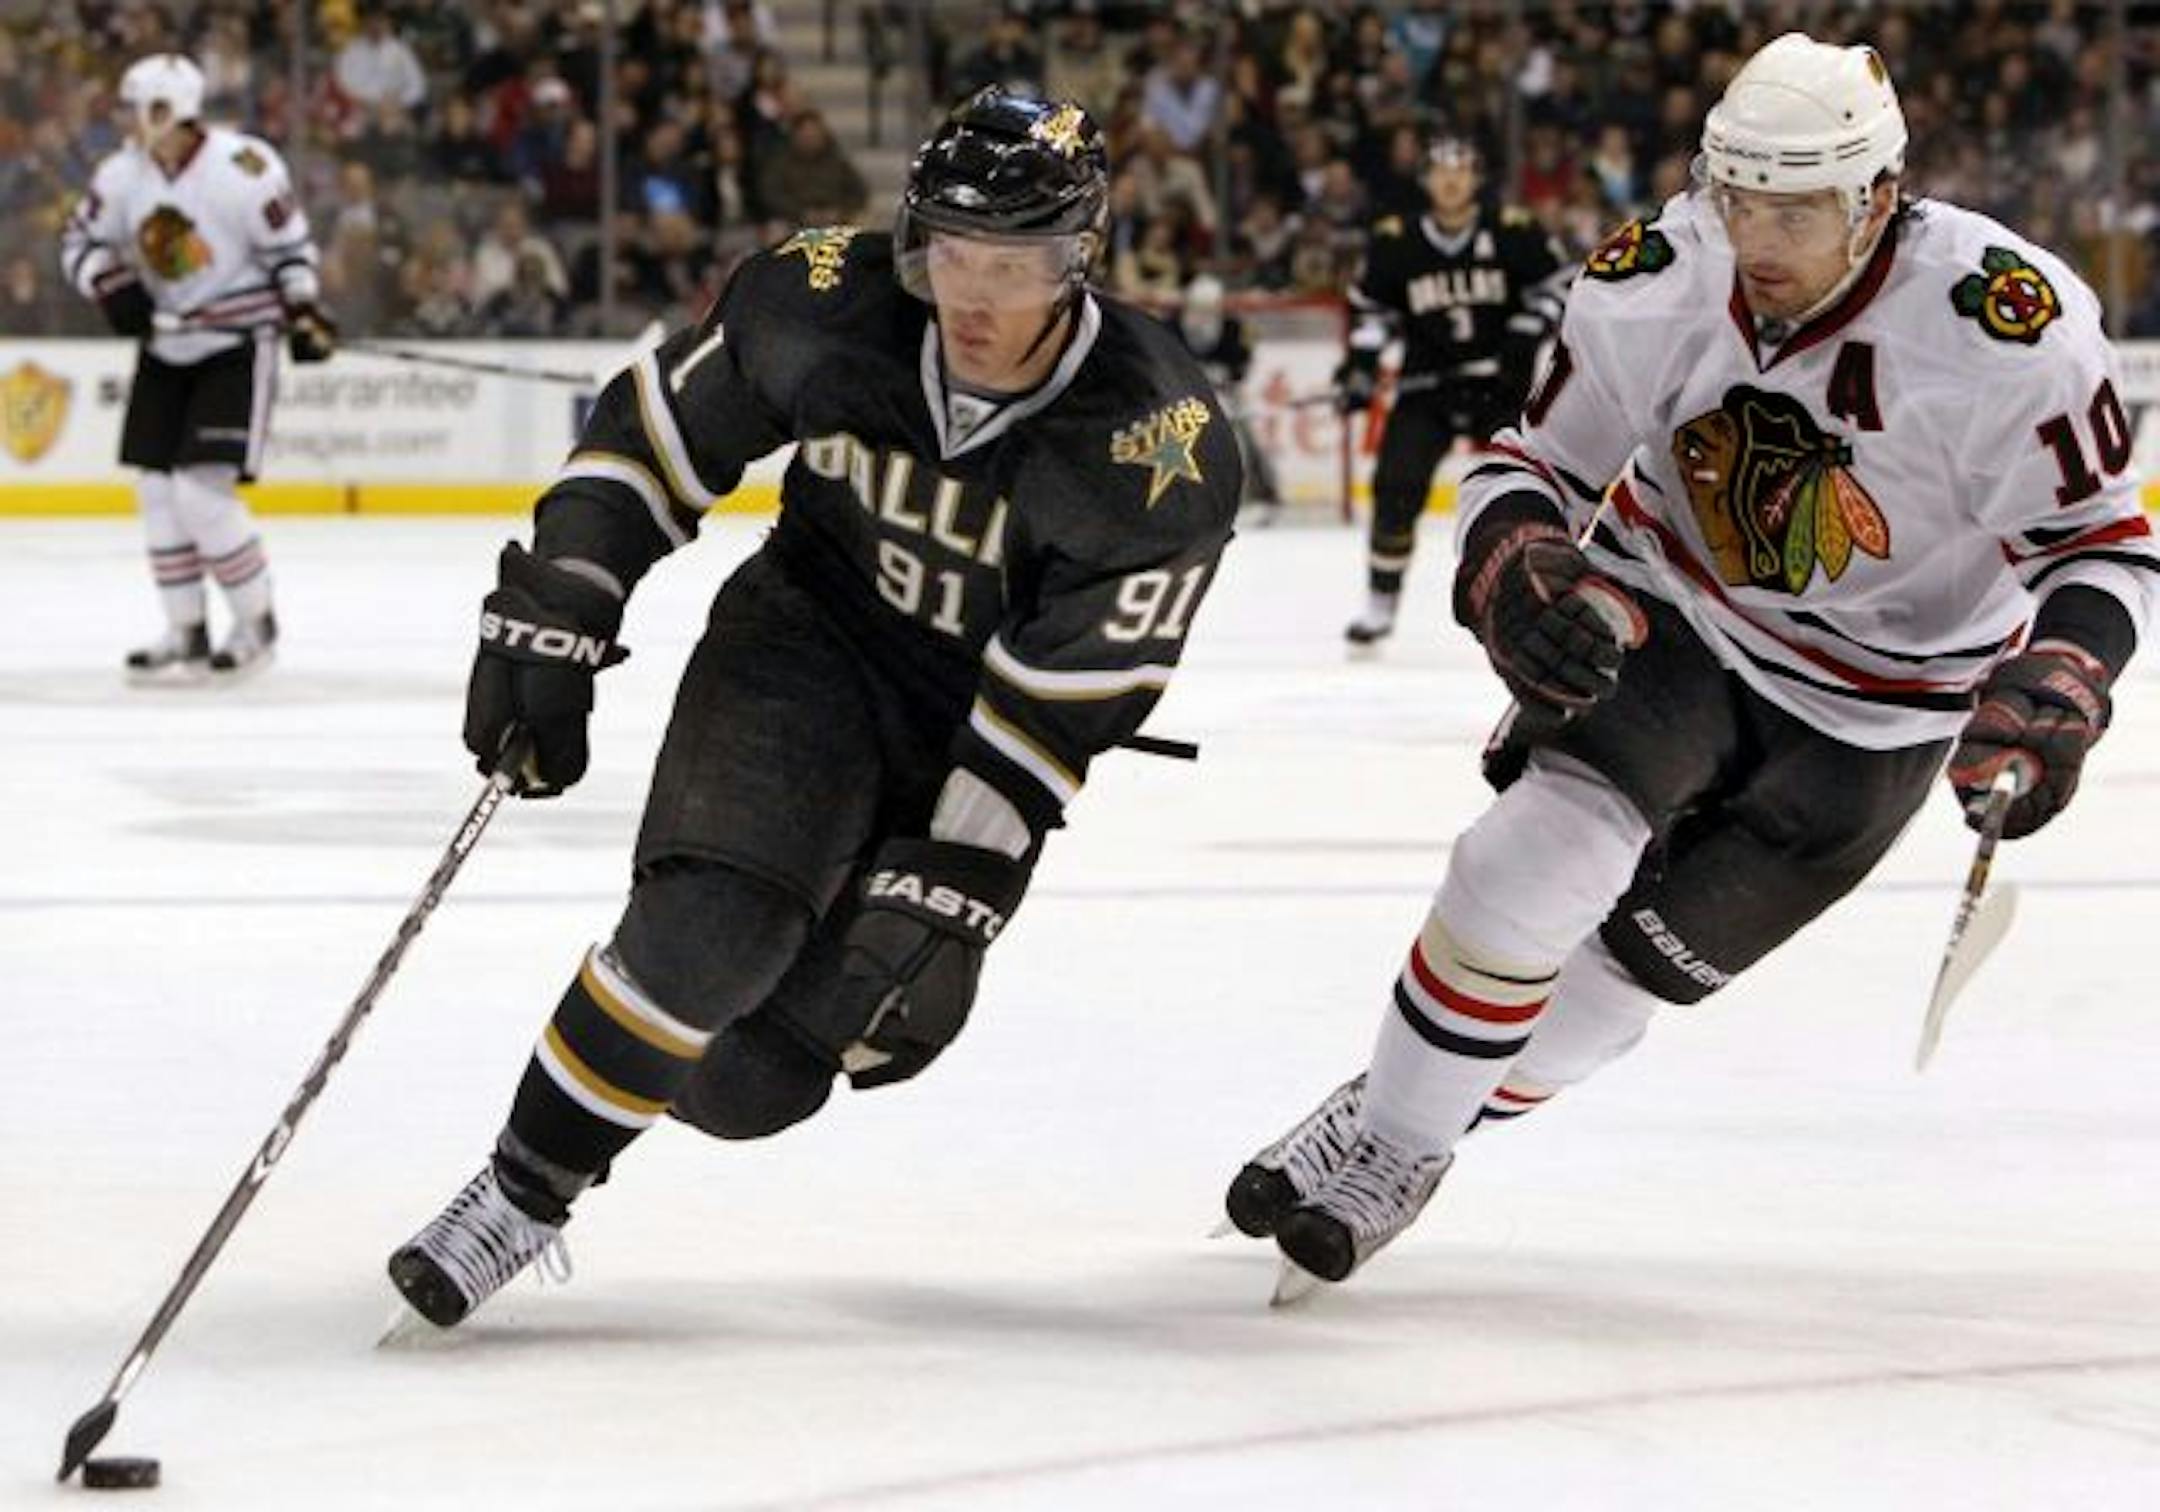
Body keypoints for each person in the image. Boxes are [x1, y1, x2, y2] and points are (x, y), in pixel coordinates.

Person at [1224, 34, 2156, 1291]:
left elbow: (2103, 549)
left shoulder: (2009, 328)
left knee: (1630, 982)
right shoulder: (1661, 271)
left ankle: (1401, 1105)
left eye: (1799, 208)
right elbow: (1527, 464)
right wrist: (1519, 566)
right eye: (1739, 198)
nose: (1759, 239)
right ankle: (1397, 1139)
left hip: (1882, 711)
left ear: (1879, 197)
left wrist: (2058, 687)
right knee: (1537, 859)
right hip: (1683, 620)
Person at [388, 87, 1241, 1327]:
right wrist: (568, 584)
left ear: (1080, 258)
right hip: (808, 646)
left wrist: (963, 879)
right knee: (706, 939)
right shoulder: (824, 301)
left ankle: (670, 1039)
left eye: (1019, 261)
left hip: (969, 724)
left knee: (759, 1081)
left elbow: (1054, 712)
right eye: (954, 252)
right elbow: (653, 438)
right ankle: (517, 1196)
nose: (976, 294)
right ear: (913, 238)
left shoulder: (1156, 446)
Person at [61, 53, 336, 682]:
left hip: (235, 347)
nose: (131, 120)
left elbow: (290, 251)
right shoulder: (121, 175)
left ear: (170, 110)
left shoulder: (245, 168)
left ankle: (255, 623)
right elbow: (80, 243)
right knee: (156, 491)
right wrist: (112, 286)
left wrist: (303, 311)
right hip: (166, 344)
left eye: (141, 107)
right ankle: (185, 629)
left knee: (200, 493)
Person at [1336, 135, 1569, 648]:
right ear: (1425, 181)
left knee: (1528, 485)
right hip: (1429, 390)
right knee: (1395, 486)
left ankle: (1545, 592)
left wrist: (1527, 330)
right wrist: (1360, 365)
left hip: (1498, 387)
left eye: (1461, 169)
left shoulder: (1513, 230)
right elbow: (1371, 312)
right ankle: (1380, 603)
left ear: (1476, 179)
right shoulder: (1396, 241)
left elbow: (1561, 285)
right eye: (1440, 170)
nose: (1451, 180)